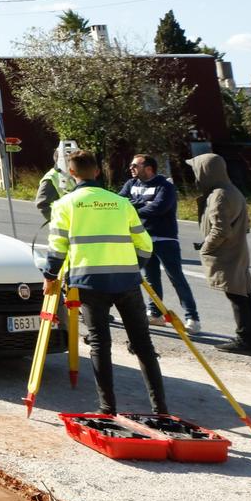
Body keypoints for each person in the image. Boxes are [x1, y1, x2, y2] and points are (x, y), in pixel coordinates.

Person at [45, 149, 168, 417]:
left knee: (100, 343)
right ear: (98, 172)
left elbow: (57, 248)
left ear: (72, 173)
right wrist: (134, 267)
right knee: (143, 344)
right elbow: (145, 245)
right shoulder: (120, 203)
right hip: (127, 281)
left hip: (89, 283)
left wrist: (50, 275)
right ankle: (161, 409)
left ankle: (107, 408)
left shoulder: (65, 205)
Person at [189, 152, 251, 355]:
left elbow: (220, 229)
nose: (195, 175)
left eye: (197, 170)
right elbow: (245, 225)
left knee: (237, 296)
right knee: (244, 294)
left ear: (206, 171)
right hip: (236, 250)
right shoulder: (231, 190)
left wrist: (206, 248)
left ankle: (245, 339)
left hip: (227, 254)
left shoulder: (220, 195)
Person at [127, 153, 201, 333]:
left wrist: (135, 206)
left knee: (176, 278)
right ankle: (156, 314)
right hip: (142, 239)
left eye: (135, 165)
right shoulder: (131, 184)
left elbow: (158, 208)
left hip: (165, 239)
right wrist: (142, 203)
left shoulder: (165, 186)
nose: (131, 168)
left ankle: (192, 318)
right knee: (151, 279)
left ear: (149, 168)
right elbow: (122, 203)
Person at [35, 140, 83, 221]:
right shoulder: (52, 178)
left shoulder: (78, 173)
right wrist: (60, 221)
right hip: (65, 226)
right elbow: (42, 204)